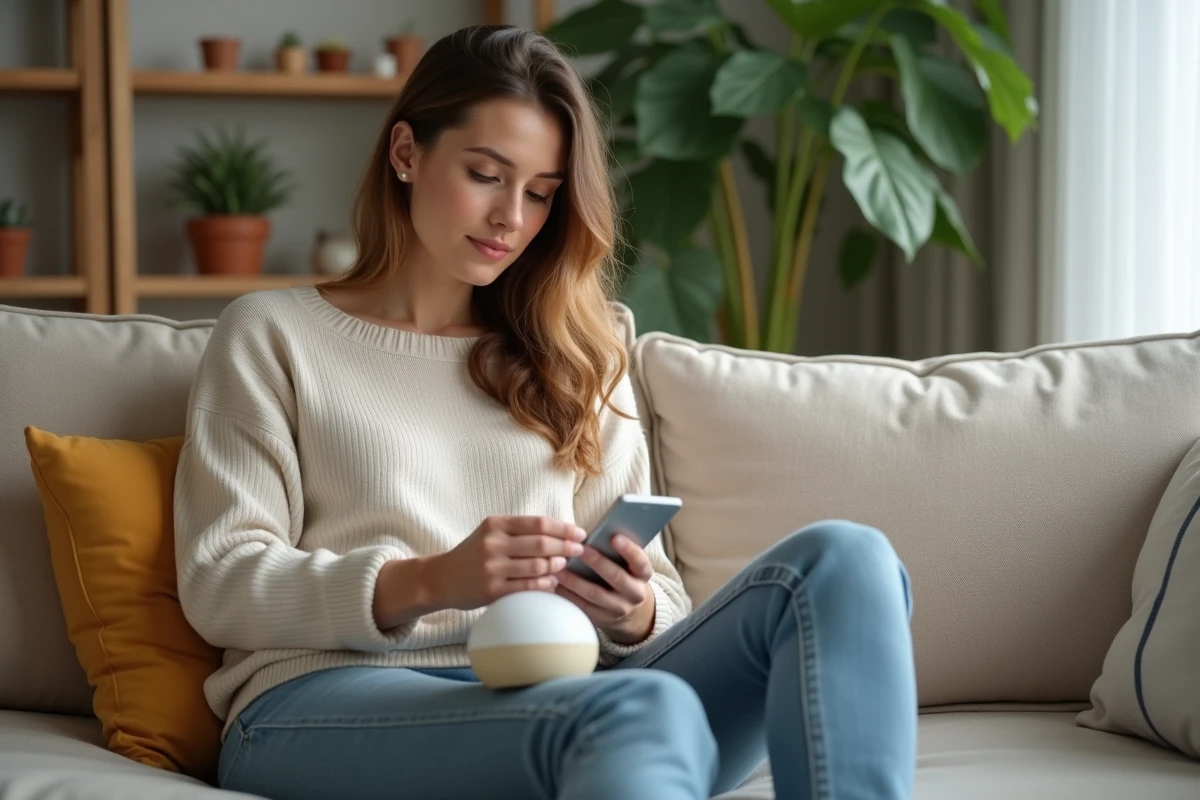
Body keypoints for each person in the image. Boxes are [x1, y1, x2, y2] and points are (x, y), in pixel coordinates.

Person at [174, 24, 917, 800]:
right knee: (643, 708)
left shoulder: (576, 352)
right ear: (405, 152)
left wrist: (629, 612)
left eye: (539, 193)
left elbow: (661, 600)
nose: (511, 219)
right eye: (486, 175)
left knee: (847, 561)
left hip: (570, 685)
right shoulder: (273, 334)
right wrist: (432, 580)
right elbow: (219, 580)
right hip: (327, 701)